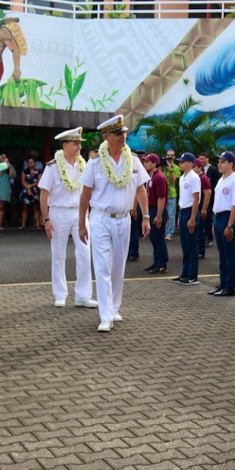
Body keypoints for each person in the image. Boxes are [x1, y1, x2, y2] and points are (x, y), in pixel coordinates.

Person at [79, 115, 150, 332]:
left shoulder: (134, 161)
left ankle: (115, 307)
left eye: (124, 132)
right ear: (106, 136)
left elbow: (140, 189)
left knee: (118, 267)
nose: (123, 136)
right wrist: (82, 223)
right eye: (118, 133)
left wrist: (146, 216)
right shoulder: (95, 163)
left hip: (124, 220)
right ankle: (105, 314)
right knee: (102, 268)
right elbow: (85, 193)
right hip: (100, 219)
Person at [38, 127, 97, 309]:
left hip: (79, 213)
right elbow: (44, 194)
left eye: (80, 144)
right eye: (75, 144)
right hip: (58, 212)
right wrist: (46, 219)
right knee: (58, 254)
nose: (79, 147)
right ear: (65, 145)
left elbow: (86, 192)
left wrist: (86, 214)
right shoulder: (53, 166)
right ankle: (60, 294)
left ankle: (83, 295)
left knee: (85, 253)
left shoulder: (84, 165)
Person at [209, 151, 235, 297]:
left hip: (227, 217)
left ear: (231, 164)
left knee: (229, 253)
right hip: (218, 217)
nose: (219, 164)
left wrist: (229, 225)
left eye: (223, 162)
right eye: (219, 161)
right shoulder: (222, 179)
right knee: (222, 253)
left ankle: (230, 286)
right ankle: (222, 283)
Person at [171, 153, 200, 285]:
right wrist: (179, 217)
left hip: (190, 211)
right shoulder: (182, 178)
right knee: (185, 245)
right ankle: (185, 272)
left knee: (192, 245)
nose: (180, 164)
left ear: (189, 163)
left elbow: (196, 198)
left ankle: (192, 275)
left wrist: (192, 217)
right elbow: (182, 199)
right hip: (183, 211)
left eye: (182, 162)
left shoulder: (194, 178)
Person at [141, 154, 168, 274]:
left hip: (157, 209)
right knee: (153, 237)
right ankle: (156, 261)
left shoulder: (159, 177)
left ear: (154, 163)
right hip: (151, 208)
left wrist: (159, 216)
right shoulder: (149, 176)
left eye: (147, 162)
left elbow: (161, 198)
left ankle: (162, 263)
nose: (145, 164)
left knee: (159, 238)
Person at [192, 159, 212, 259]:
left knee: (200, 230)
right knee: (197, 229)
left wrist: (204, 209)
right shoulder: (195, 177)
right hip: (196, 206)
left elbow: (207, 194)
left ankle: (201, 250)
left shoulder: (203, 178)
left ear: (199, 167)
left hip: (200, 206)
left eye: (194, 167)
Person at [199, 152, 219, 248]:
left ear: (207, 159)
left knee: (208, 218)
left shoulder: (213, 170)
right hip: (200, 198)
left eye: (203, 159)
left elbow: (216, 184)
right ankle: (202, 238)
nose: (201, 161)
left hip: (210, 198)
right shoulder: (198, 171)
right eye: (200, 159)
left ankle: (209, 237)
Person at [0, 152, 15, 230]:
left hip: (4, 187)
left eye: (5, 157)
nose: (3, 159)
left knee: (1, 207)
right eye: (2, 157)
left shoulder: (9, 166)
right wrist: (3, 165)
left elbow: (12, 175)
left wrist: (9, 165)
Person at [19, 156, 41, 230]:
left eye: (32, 162)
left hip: (35, 190)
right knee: (25, 208)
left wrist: (30, 186)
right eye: (29, 162)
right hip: (26, 190)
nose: (30, 164)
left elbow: (39, 181)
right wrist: (27, 188)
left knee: (36, 208)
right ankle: (23, 224)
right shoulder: (24, 171)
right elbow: (22, 181)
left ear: (35, 163)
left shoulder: (38, 171)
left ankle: (37, 224)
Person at [162, 149, 180, 240]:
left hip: (171, 194)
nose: (169, 157)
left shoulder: (176, 167)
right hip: (162, 194)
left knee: (171, 215)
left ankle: (169, 232)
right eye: (168, 155)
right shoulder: (162, 166)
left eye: (171, 156)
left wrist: (170, 170)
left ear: (174, 157)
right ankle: (163, 231)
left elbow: (174, 181)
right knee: (163, 214)